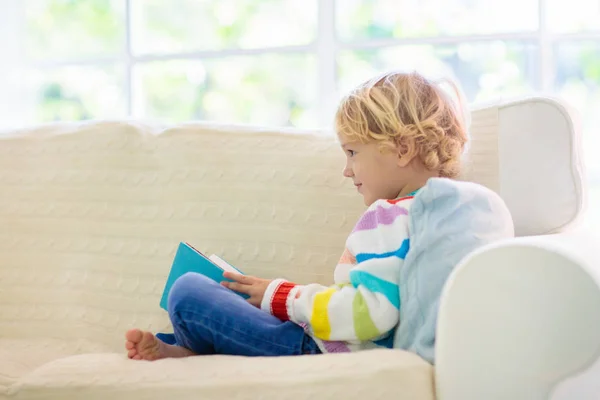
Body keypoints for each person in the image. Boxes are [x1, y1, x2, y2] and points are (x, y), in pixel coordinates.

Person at [125, 71, 514, 363]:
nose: (347, 171)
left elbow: (369, 315)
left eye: (352, 153)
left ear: (401, 149)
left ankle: (184, 348)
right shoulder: (447, 213)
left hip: (321, 350)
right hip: (327, 341)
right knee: (229, 295)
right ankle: (183, 350)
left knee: (189, 291)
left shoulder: (389, 217)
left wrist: (283, 296)